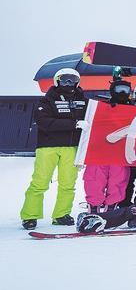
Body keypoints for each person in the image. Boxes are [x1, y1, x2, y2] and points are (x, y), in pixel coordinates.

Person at [21, 68, 87, 229]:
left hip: (71, 148)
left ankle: (61, 214)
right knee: (40, 182)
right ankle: (30, 216)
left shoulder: (83, 101)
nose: (69, 83)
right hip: (48, 147)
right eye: (65, 80)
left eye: (72, 80)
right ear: (57, 81)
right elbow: (45, 122)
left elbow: (96, 115)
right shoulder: (47, 101)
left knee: (68, 183)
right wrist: (74, 124)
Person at [82, 80, 132, 213]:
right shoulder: (101, 106)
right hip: (100, 150)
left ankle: (111, 207)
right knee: (95, 178)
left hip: (121, 151)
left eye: (125, 90)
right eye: (119, 89)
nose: (122, 93)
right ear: (112, 90)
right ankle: (93, 207)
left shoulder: (135, 109)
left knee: (118, 179)